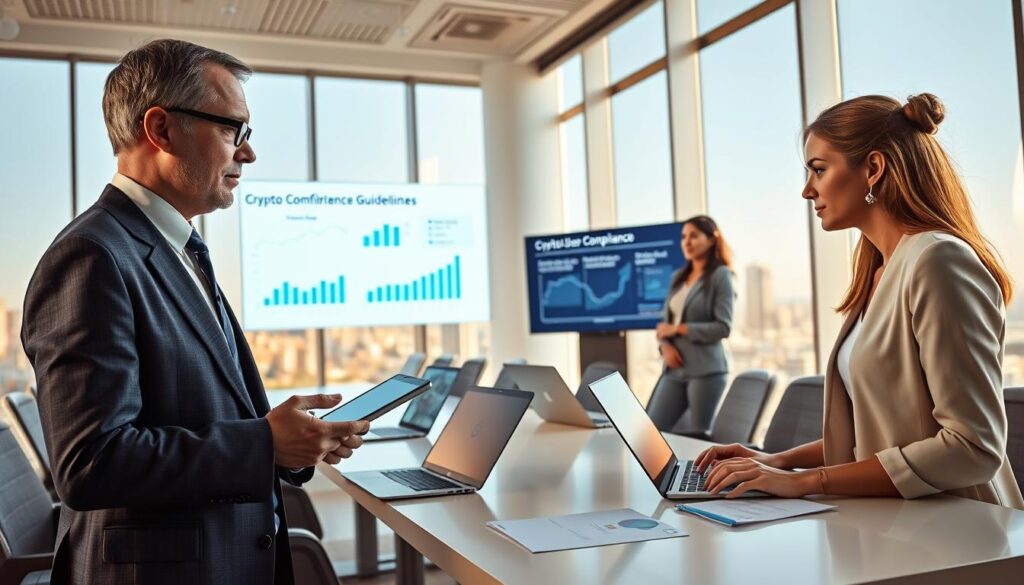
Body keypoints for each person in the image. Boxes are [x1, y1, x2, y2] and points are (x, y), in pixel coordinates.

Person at [21, 39, 370, 585]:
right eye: (234, 131)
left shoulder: (177, 249)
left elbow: (196, 408)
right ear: (160, 130)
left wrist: (289, 443)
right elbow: (90, 462)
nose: (248, 154)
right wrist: (263, 443)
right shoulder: (92, 256)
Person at [695, 93, 1024, 509]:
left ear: (872, 168)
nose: (806, 191)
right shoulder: (878, 271)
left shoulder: (937, 260)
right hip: (895, 522)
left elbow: (970, 447)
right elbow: (875, 435)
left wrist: (802, 482)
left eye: (819, 170)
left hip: (962, 525)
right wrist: (774, 461)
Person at [648, 216, 735, 433]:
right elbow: (663, 325)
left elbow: (723, 327)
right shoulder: (678, 277)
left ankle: (696, 470)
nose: (687, 242)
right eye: (684, 237)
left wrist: (678, 329)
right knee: (652, 431)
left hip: (706, 370)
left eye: (694, 236)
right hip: (674, 368)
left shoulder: (721, 276)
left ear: (712, 239)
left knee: (698, 436)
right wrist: (665, 346)